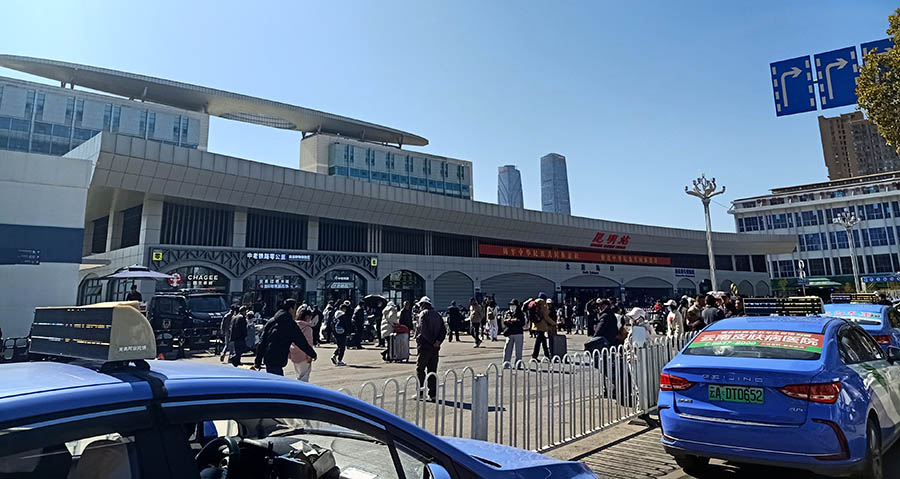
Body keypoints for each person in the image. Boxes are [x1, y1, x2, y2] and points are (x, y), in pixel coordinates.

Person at [253, 299, 317, 376]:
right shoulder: (290, 324)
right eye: (295, 309)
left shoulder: (271, 321)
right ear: (291, 309)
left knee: (272, 378)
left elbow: (262, 342)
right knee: (278, 381)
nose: (295, 312)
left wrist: (258, 361)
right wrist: (312, 354)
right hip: (278, 358)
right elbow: (301, 341)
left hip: (268, 357)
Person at [415, 296, 446, 401]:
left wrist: (430, 341)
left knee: (420, 369)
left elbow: (423, 330)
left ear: (423, 305)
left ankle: (420, 392)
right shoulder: (437, 315)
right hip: (435, 347)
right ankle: (433, 394)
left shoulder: (423, 314)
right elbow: (443, 330)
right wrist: (438, 341)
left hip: (425, 346)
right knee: (432, 370)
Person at [289, 309, 316, 382]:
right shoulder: (308, 328)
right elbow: (309, 343)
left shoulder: (294, 326)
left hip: (294, 353)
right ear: (307, 317)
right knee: (304, 376)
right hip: (304, 354)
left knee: (298, 374)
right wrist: (310, 355)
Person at [502, 299, 526, 366]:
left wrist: (514, 321)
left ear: (517, 306)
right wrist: (509, 321)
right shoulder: (508, 313)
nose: (511, 307)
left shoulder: (520, 313)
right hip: (510, 333)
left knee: (518, 351)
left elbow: (522, 323)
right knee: (507, 349)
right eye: (511, 305)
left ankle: (518, 364)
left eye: (513, 305)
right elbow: (504, 322)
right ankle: (506, 364)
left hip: (518, 333)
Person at [531, 293, 554, 360]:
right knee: (538, 342)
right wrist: (553, 323)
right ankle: (534, 356)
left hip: (536, 324)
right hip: (541, 325)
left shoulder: (535, 303)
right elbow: (546, 317)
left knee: (543, 341)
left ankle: (547, 355)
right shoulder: (543, 305)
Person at [331, 301, 352, 366]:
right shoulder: (343, 315)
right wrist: (349, 332)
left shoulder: (335, 315)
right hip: (342, 332)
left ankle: (334, 355)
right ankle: (339, 360)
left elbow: (332, 323)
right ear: (344, 309)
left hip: (335, 332)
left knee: (339, 345)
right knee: (342, 346)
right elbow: (347, 324)